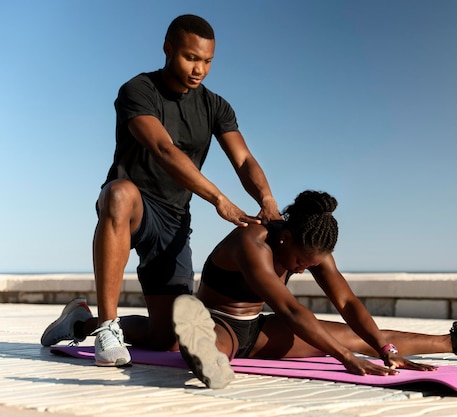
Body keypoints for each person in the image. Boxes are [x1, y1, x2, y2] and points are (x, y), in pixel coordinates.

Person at [40, 14, 281, 367]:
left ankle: (81, 321)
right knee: (120, 194)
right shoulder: (138, 91)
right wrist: (219, 200)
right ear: (168, 49)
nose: (199, 69)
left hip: (174, 218)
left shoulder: (215, 106)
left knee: (168, 338)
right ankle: (108, 328)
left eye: (208, 61)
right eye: (191, 58)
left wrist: (267, 198)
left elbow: (244, 160)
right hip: (136, 204)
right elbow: (165, 150)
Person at [171, 190, 457, 389]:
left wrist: (384, 351)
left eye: (310, 264)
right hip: (218, 319)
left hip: (258, 328)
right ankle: (202, 354)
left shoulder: (312, 248)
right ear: (286, 238)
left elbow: (347, 302)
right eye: (300, 261)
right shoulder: (252, 242)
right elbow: (291, 309)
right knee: (210, 343)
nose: (302, 268)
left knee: (360, 336)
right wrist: (346, 358)